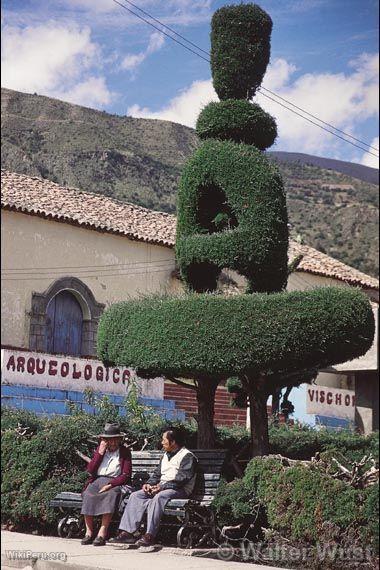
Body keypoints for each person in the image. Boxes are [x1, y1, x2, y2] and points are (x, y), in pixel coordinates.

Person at [110, 429, 197, 547]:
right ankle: (127, 533)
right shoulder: (165, 455)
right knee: (136, 495)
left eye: (164, 440)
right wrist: (149, 484)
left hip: (180, 490)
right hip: (162, 488)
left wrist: (161, 487)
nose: (162, 442)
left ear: (173, 442)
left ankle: (149, 535)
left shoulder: (187, 456)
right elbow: (156, 475)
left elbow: (181, 480)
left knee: (159, 497)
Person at [80, 422, 132, 546]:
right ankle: (89, 532)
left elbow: (126, 475)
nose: (113, 443)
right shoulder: (100, 450)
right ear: (104, 440)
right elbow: (91, 470)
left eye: (115, 440)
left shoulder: (124, 452)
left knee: (111, 494)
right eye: (110, 440)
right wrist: (100, 453)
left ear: (119, 439)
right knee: (88, 494)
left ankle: (102, 533)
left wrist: (111, 484)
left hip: (115, 482)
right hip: (97, 480)